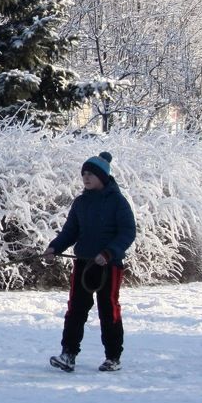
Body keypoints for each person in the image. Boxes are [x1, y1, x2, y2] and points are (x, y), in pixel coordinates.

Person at [43, 151, 137, 373]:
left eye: (91, 174)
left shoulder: (118, 202)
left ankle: (113, 356)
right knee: (76, 308)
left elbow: (128, 232)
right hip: (83, 264)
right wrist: (55, 247)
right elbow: (70, 232)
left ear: (102, 177)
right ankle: (68, 354)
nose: (86, 178)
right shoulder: (80, 203)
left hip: (109, 266)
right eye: (84, 174)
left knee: (108, 309)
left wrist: (108, 253)